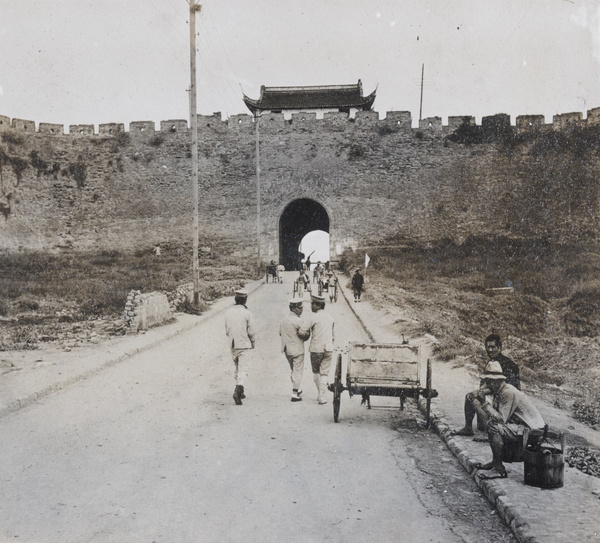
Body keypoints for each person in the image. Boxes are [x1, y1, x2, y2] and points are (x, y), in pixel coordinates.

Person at [471, 360, 545, 480]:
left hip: (534, 430)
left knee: (494, 427)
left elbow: (500, 419)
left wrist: (484, 403)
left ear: (495, 381)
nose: (486, 385)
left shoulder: (507, 392)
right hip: (524, 426)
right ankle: (495, 462)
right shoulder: (500, 390)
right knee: (492, 424)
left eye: (488, 381)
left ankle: (499, 469)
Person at [454, 334, 520, 436]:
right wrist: (477, 391)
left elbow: (504, 387)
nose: (490, 350)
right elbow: (487, 383)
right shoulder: (491, 362)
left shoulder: (509, 365)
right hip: (495, 395)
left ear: (499, 348)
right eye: (488, 347)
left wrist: (482, 393)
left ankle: (488, 433)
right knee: (470, 396)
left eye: (493, 347)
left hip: (507, 399)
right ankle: (468, 428)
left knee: (479, 401)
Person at [300, 294, 335, 404]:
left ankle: (320, 394)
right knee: (324, 373)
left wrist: (306, 335)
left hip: (316, 349)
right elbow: (333, 334)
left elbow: (302, 331)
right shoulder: (330, 317)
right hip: (328, 348)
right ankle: (322, 396)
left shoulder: (313, 317)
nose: (311, 306)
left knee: (316, 372)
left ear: (318, 305)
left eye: (313, 304)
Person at [224, 289, 256, 405]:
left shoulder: (228, 312)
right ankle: (237, 391)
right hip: (244, 344)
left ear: (235, 300)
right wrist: (253, 343)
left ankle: (241, 391)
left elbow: (227, 329)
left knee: (237, 367)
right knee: (243, 368)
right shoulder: (247, 313)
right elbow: (251, 331)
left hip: (233, 344)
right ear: (245, 300)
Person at [280, 298, 310, 402]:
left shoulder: (283, 320)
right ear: (294, 308)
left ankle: (297, 388)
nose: (301, 310)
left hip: (287, 349)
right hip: (297, 349)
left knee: (293, 369)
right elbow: (305, 334)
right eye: (300, 308)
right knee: (298, 371)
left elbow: (280, 333)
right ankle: (294, 393)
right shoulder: (298, 321)